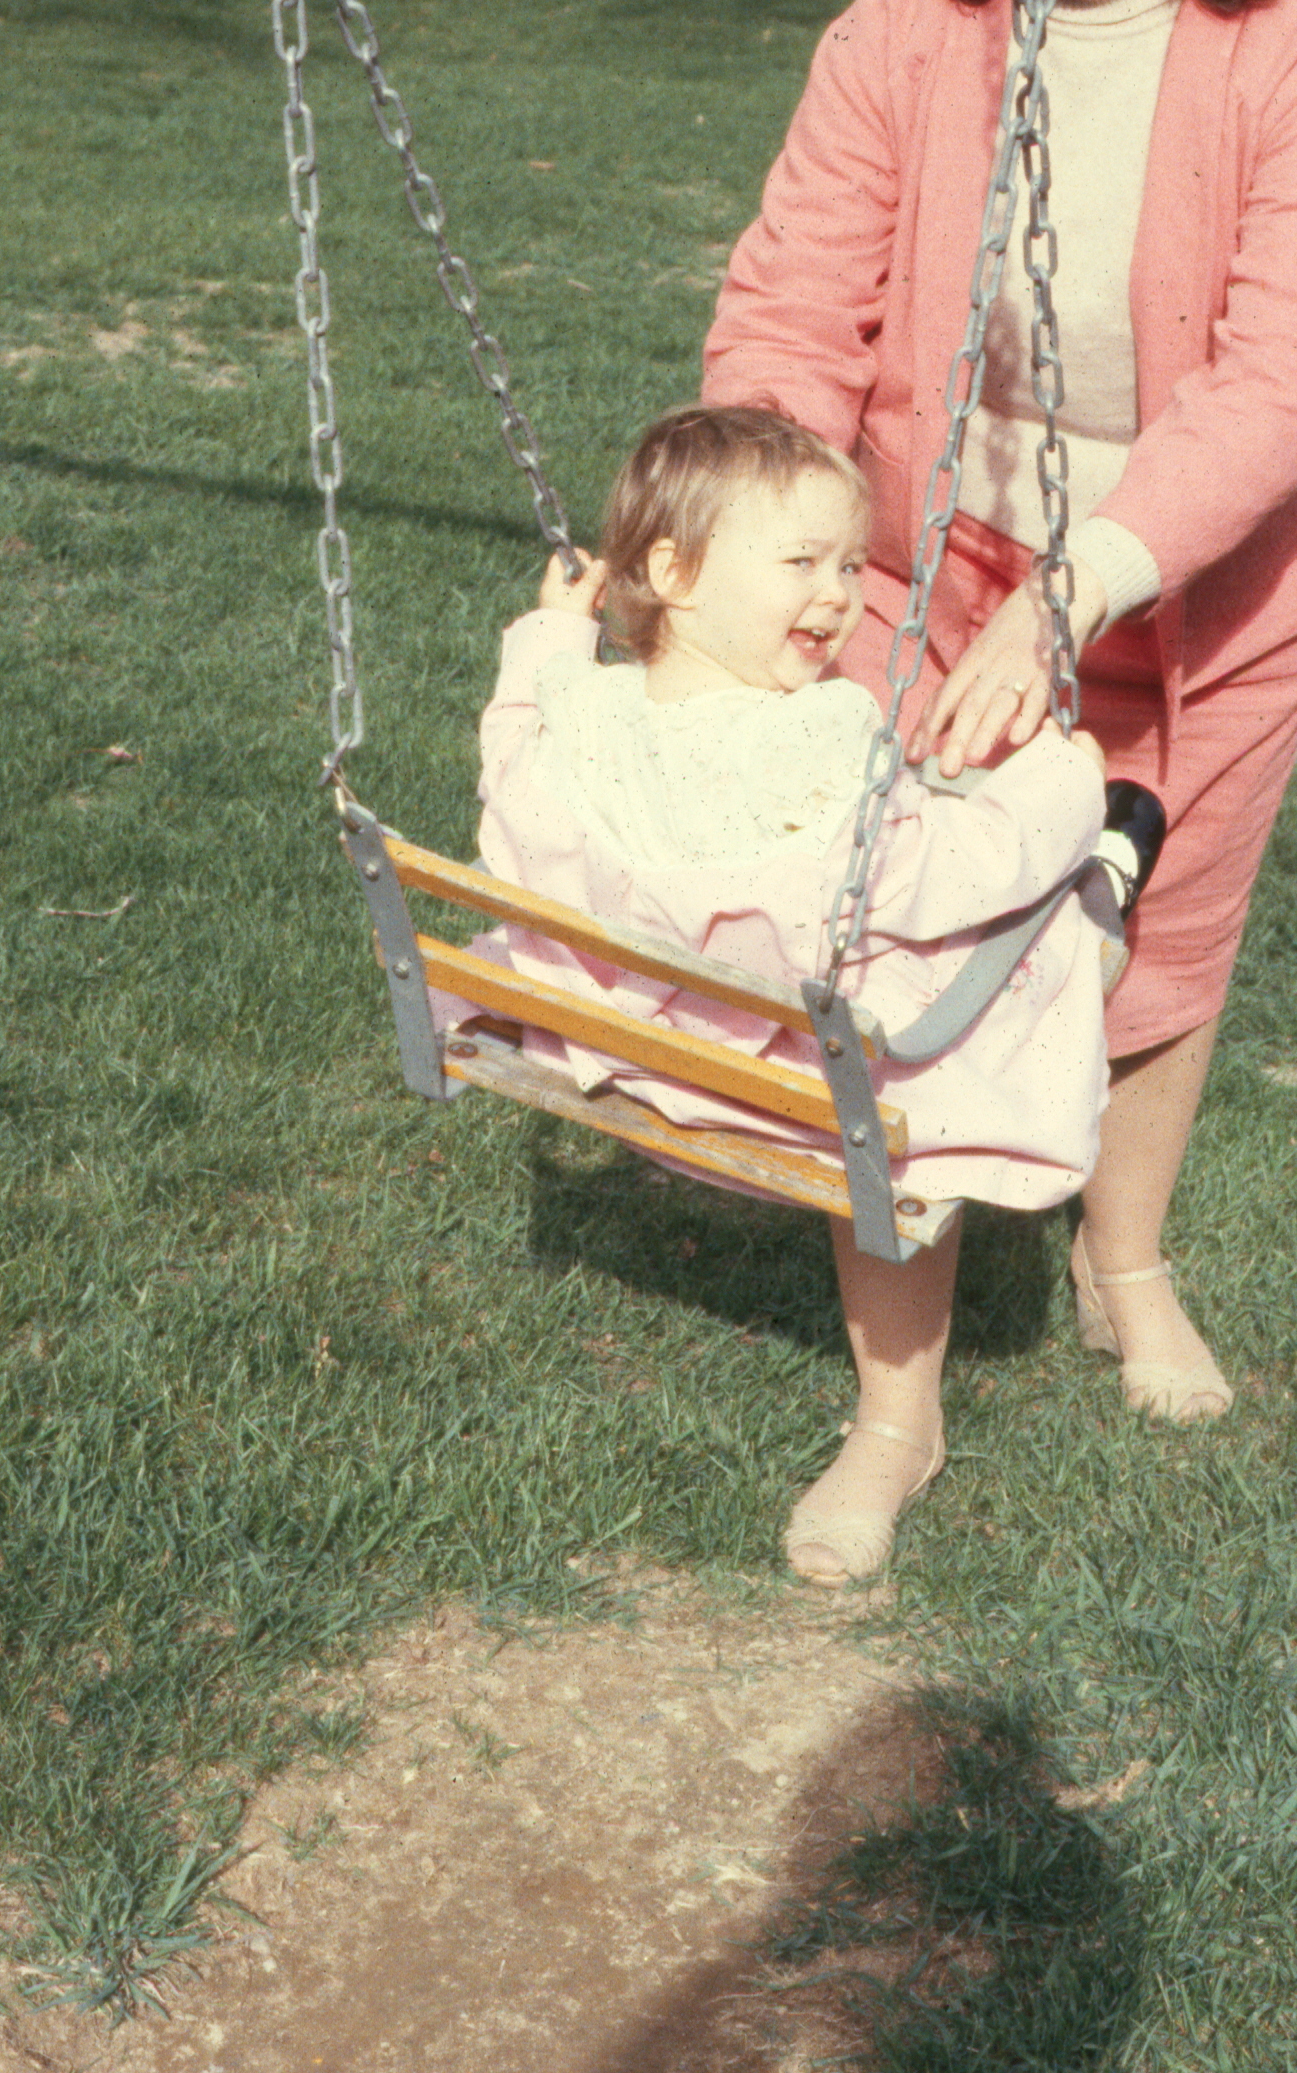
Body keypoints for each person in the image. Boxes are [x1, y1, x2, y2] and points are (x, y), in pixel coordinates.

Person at [701, 0, 1297, 1457]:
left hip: (1200, 591)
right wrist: (746, 523)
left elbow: (1283, 374)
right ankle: (899, 1402)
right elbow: (797, 297)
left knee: (1166, 933)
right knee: (891, 923)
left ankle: (1125, 1256)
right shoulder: (910, 20)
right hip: (929, 571)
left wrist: (1079, 591)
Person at [476, 402, 1142, 1584]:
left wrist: (547, 633)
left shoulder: (577, 718)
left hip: (649, 1047)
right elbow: (951, 872)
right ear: (672, 574)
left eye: (846, 565)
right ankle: (1108, 875)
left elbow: (507, 753)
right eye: (800, 563)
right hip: (798, 1085)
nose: (837, 596)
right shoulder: (821, 740)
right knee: (1023, 913)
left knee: (883, 899)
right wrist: (1061, 783)